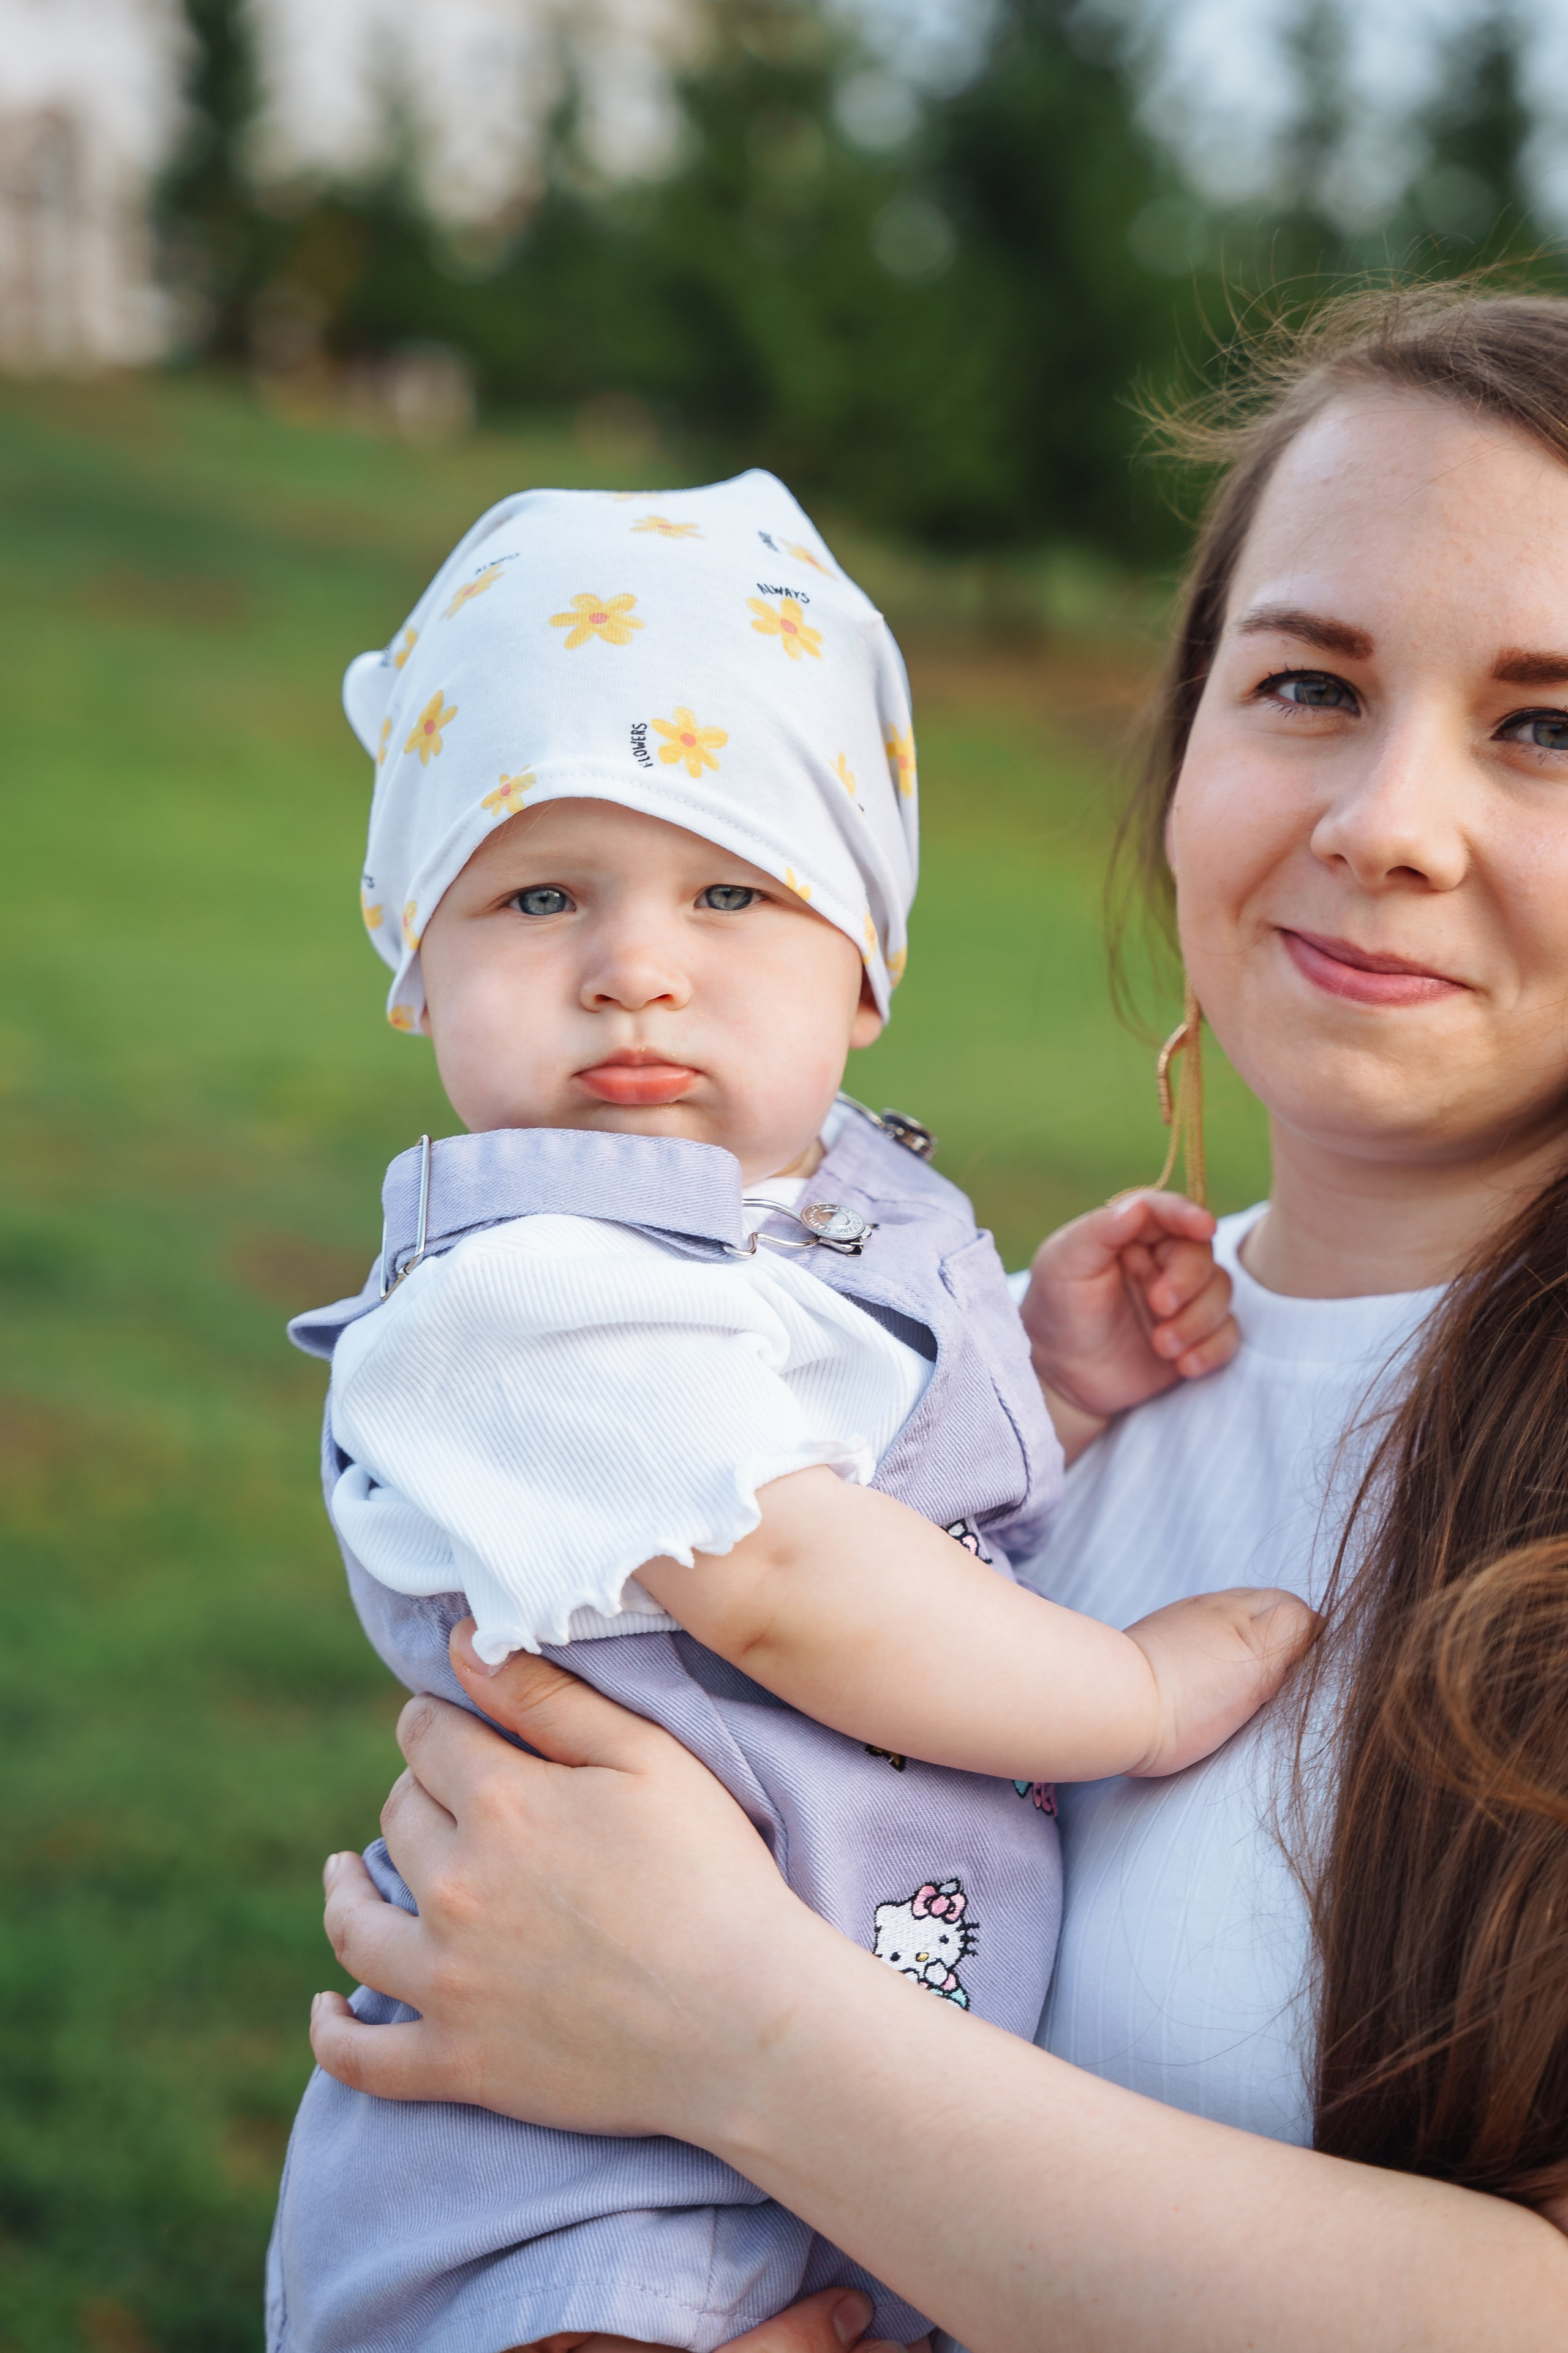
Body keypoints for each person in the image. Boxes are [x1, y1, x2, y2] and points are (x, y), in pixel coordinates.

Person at [305, 281, 1568, 2352]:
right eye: (1311, 686)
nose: (1384, 825)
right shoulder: (1007, 1377)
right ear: (1188, 744)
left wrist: (742, 2039)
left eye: (1548, 724)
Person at [270, 471, 1297, 2353]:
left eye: (734, 886)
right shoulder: (525, 1294)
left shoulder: (821, 1223)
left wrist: (1049, 1382)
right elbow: (788, 1575)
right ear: (417, 967)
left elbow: (869, 1479)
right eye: (537, 892)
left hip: (802, 2114)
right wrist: (1137, 1695)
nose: (636, 962)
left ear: (868, 964)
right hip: (586, 2189)